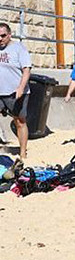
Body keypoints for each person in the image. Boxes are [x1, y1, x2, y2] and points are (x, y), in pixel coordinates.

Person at [0, 23, 31, 159]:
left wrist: (21, 87)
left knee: (20, 121)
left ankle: (23, 151)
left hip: (15, 92)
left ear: (9, 35)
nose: (0, 38)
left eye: (3, 36)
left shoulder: (19, 48)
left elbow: (26, 70)